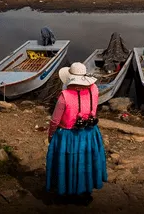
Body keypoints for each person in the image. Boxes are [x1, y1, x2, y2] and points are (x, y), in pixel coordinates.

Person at [46, 62, 107, 204]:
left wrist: (51, 136)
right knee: (86, 161)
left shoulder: (64, 96)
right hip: (90, 133)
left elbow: (55, 121)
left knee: (68, 162)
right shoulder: (95, 90)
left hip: (68, 135)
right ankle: (85, 192)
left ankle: (67, 192)